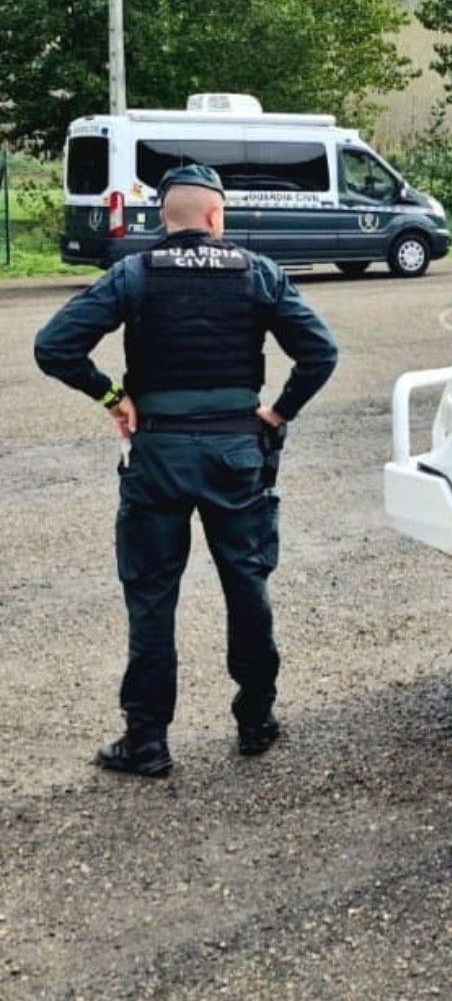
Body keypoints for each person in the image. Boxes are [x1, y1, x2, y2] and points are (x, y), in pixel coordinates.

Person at [32, 164, 339, 777]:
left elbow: (54, 346)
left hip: (158, 455)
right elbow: (319, 353)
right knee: (246, 586)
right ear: (216, 216)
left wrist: (111, 395)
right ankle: (256, 720)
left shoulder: (133, 275)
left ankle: (146, 740)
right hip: (236, 456)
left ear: (162, 219)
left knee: (151, 597)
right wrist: (276, 414)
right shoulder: (258, 273)